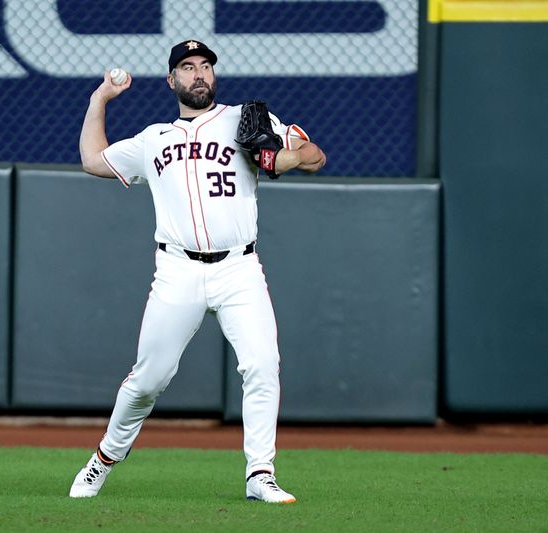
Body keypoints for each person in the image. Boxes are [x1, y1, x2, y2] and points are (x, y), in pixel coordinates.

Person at [69, 40, 326, 503]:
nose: (199, 74)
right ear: (172, 80)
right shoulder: (152, 140)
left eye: (205, 65)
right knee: (148, 379)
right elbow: (91, 159)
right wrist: (99, 99)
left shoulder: (244, 118)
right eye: (187, 67)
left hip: (239, 268)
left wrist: (276, 157)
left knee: (263, 365)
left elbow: (314, 156)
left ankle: (260, 474)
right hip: (177, 271)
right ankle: (103, 459)